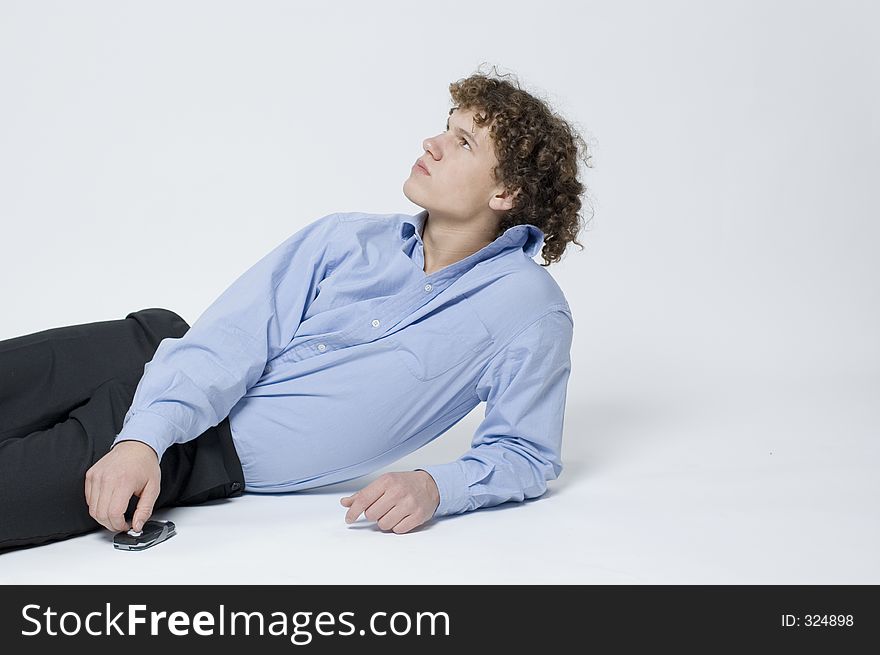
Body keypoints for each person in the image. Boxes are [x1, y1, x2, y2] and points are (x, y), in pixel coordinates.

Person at [0, 68, 592, 552]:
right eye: (444, 127)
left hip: (201, 452)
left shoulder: (528, 312)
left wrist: (436, 486)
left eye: (463, 142)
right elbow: (231, 338)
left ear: (506, 194)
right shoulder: (343, 238)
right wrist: (142, 439)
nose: (431, 144)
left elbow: (524, 452)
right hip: (153, 357)